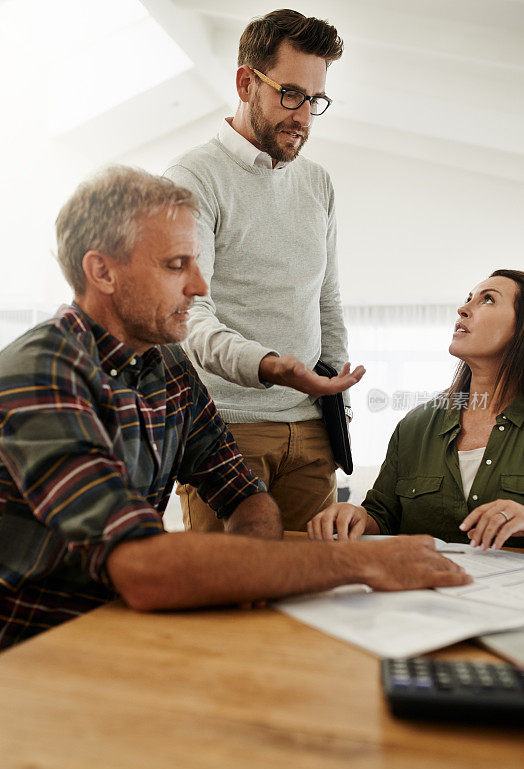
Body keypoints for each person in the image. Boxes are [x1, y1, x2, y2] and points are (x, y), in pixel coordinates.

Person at [0, 165, 470, 650]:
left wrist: (244, 569)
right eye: (176, 264)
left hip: (124, 632)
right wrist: (364, 562)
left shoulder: (168, 366)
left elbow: (244, 493)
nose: (202, 287)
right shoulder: (41, 374)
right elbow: (138, 566)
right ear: (103, 271)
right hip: (35, 655)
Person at [165, 9, 363, 533]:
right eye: (290, 94)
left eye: (315, 101)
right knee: (229, 603)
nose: (303, 116)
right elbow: (189, 318)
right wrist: (271, 365)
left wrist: (334, 391)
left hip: (313, 433)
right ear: (245, 82)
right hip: (227, 432)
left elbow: (327, 300)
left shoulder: (318, 184)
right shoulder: (193, 178)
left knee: (315, 599)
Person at [308, 270, 524, 549]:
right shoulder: (415, 426)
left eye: (488, 300)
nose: (463, 309)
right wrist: (355, 515)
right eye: (468, 298)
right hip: (425, 588)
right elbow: (382, 517)